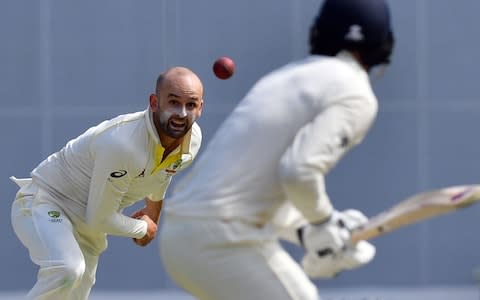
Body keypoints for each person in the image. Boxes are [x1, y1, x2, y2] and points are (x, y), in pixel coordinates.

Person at [158, 1, 395, 299]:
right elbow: (299, 173)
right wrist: (323, 221)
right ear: (382, 44)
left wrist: (308, 230)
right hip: (223, 240)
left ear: (319, 33)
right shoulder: (357, 94)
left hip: (182, 235)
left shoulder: (286, 78)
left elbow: (256, 183)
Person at [10, 66, 204, 299]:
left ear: (200, 108)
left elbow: (161, 176)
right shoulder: (122, 143)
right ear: (154, 102)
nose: (182, 113)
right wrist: (143, 228)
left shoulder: (192, 143)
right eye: (173, 102)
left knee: (74, 292)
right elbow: (100, 217)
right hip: (46, 202)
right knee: (68, 269)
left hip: (90, 228)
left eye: (191, 105)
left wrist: (153, 216)